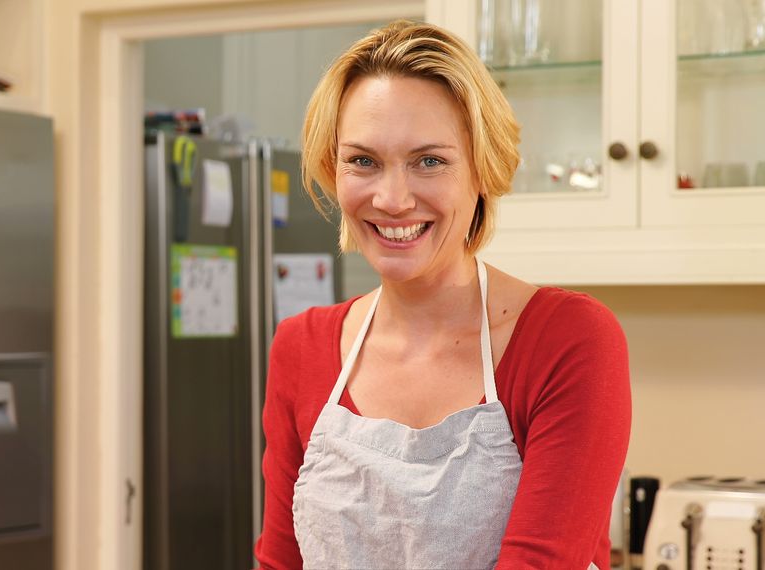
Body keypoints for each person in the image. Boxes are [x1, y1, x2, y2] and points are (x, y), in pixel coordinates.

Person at [254, 19, 631, 570]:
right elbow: (281, 562)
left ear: (482, 170)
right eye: (363, 161)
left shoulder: (568, 341)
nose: (393, 198)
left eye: (429, 161)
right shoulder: (301, 346)